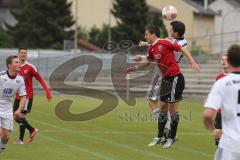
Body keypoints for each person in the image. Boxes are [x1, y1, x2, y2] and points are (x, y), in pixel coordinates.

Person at [126, 25, 198, 149]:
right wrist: (134, 68)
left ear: (153, 34)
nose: (145, 36)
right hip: (165, 79)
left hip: (175, 77)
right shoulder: (152, 48)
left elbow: (182, 49)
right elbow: (148, 62)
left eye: (146, 34)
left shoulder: (165, 42)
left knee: (172, 109)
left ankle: (171, 137)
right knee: (163, 106)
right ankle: (159, 136)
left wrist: (192, 62)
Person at [203, 44, 240, 160]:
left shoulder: (222, 83)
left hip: (231, 143)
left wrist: (211, 128)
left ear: (229, 61)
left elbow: (208, 114)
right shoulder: (220, 78)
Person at [13, 48, 52, 145]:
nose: (23, 54)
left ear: (26, 55)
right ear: (18, 54)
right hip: (18, 96)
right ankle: (32, 130)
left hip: (27, 97)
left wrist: (47, 91)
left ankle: (20, 140)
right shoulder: (15, 67)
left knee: (21, 116)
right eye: (21, 53)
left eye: (25, 53)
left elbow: (40, 79)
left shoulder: (30, 67)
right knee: (15, 116)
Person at [0, 55, 26, 153]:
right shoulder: (1, 76)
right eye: (16, 62)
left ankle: (1, 148)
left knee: (6, 136)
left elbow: (23, 96)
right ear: (9, 65)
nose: (19, 64)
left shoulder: (20, 79)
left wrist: (19, 110)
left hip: (7, 108)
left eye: (19, 62)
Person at [213, 53, 229, 146]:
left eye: (226, 60)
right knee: (217, 133)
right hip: (221, 111)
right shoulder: (219, 77)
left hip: (233, 111)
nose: (223, 61)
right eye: (222, 59)